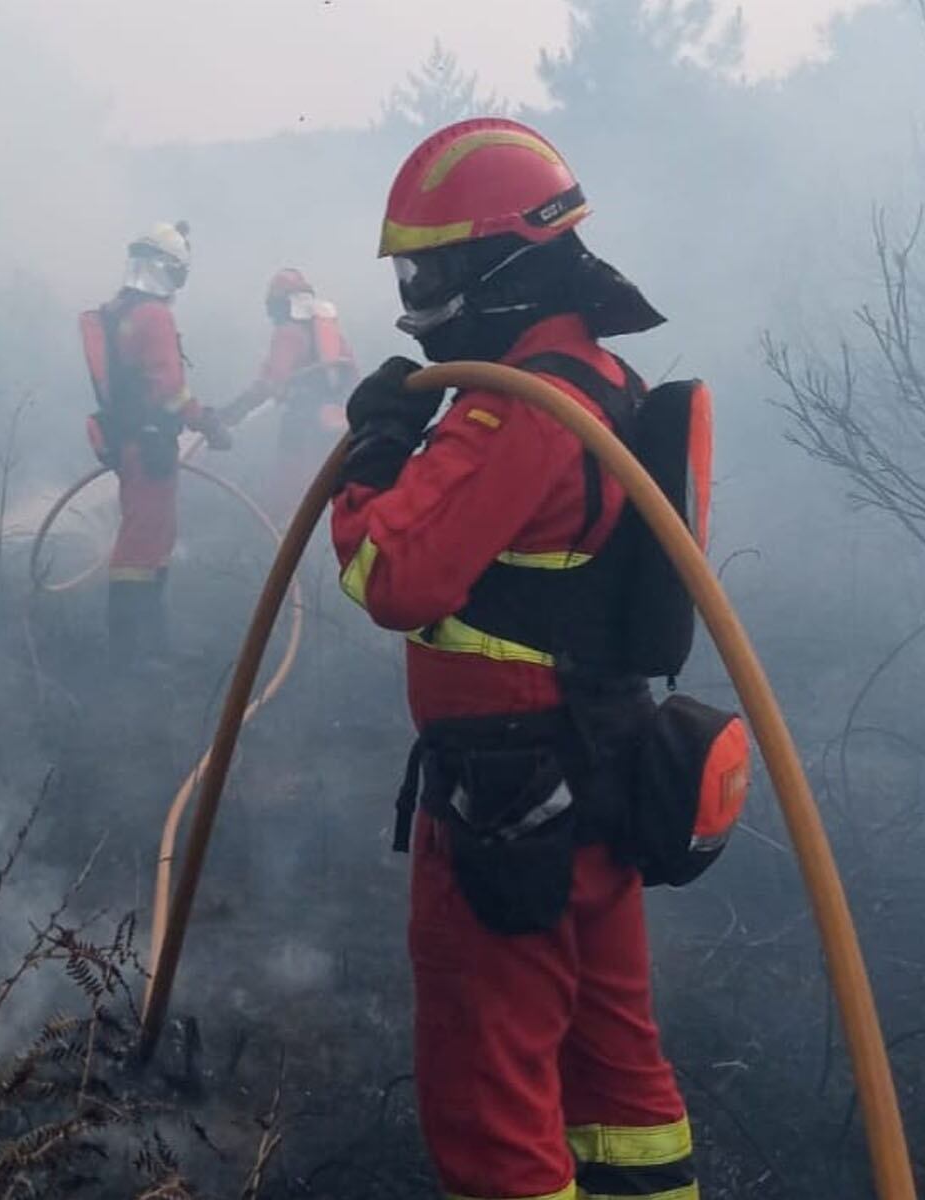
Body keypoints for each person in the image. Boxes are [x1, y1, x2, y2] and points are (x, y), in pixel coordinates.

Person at [330, 117, 697, 1200]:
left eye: (429, 268)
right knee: (611, 1068)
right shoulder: (597, 382)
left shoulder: (513, 410)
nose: (418, 296)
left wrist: (378, 452)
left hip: (509, 792)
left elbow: (393, 578)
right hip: (601, 768)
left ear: (496, 266)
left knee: (488, 1097)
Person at [81, 221, 230, 670]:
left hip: (134, 442)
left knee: (155, 541)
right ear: (170, 270)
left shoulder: (121, 309)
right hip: (148, 446)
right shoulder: (154, 315)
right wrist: (207, 423)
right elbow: (170, 389)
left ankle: (153, 644)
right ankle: (131, 653)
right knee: (140, 547)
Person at [221, 269, 359, 514]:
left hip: (302, 422)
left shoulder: (288, 334)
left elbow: (271, 381)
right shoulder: (328, 332)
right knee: (325, 478)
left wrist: (237, 409)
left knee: (292, 483)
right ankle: (320, 532)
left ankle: (284, 531)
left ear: (281, 304)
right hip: (333, 420)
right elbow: (351, 374)